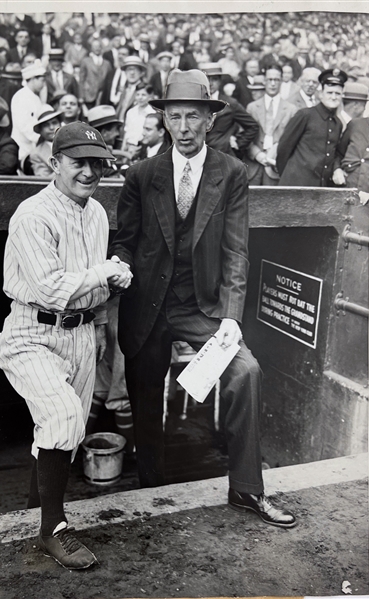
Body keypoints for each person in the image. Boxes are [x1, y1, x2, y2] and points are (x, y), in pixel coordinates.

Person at [110, 69, 296, 528]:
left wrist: (231, 317)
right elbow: (126, 239)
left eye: (194, 116)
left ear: (211, 120)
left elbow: (236, 249)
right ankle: (150, 493)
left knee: (245, 371)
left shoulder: (231, 172)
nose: (186, 127)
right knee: (146, 397)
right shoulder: (141, 174)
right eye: (175, 117)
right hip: (148, 304)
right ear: (165, 121)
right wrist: (119, 265)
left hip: (203, 306)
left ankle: (246, 490)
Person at [0, 121, 132, 570]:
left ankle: (36, 511)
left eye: (97, 163)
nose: (90, 172)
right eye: (79, 163)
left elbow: (93, 289)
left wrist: (116, 278)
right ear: (55, 163)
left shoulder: (95, 213)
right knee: (62, 414)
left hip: (79, 333)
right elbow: (51, 289)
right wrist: (102, 273)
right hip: (33, 331)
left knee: (63, 433)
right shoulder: (33, 214)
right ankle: (52, 529)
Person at [277, 68, 347, 186]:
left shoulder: (338, 123)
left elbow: (333, 153)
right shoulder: (305, 115)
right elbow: (284, 148)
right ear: (320, 94)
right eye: (329, 93)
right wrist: (288, 177)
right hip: (295, 184)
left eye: (338, 93)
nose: (334, 97)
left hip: (320, 188)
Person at [245, 64, 297, 185]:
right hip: (253, 167)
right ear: (264, 81)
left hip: (277, 168)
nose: (273, 84)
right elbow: (244, 136)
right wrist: (257, 154)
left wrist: (275, 154)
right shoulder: (252, 107)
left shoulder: (291, 109)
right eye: (270, 80)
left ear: (282, 81)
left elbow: (292, 140)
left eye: (277, 80)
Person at [201, 63, 259, 159]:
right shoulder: (195, 103)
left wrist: (237, 145)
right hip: (198, 156)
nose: (210, 83)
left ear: (220, 81)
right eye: (207, 79)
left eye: (214, 79)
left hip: (222, 156)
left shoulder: (230, 103)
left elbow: (252, 126)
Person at [11, 61, 47, 164]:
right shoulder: (21, 96)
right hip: (22, 147)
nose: (43, 84)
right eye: (42, 80)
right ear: (32, 79)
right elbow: (24, 125)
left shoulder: (35, 97)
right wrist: (39, 139)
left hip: (33, 147)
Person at [79, 39, 113, 109]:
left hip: (103, 96)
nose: (97, 48)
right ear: (91, 48)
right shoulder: (85, 61)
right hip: (89, 94)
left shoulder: (107, 63)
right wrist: (81, 96)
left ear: (101, 48)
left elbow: (110, 80)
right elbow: (81, 80)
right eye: (94, 46)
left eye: (99, 46)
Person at [28, 108, 62, 178]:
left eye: (54, 123)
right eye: (46, 125)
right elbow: (44, 179)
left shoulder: (73, 143)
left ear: (60, 124)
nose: (51, 127)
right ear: (40, 131)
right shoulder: (36, 153)